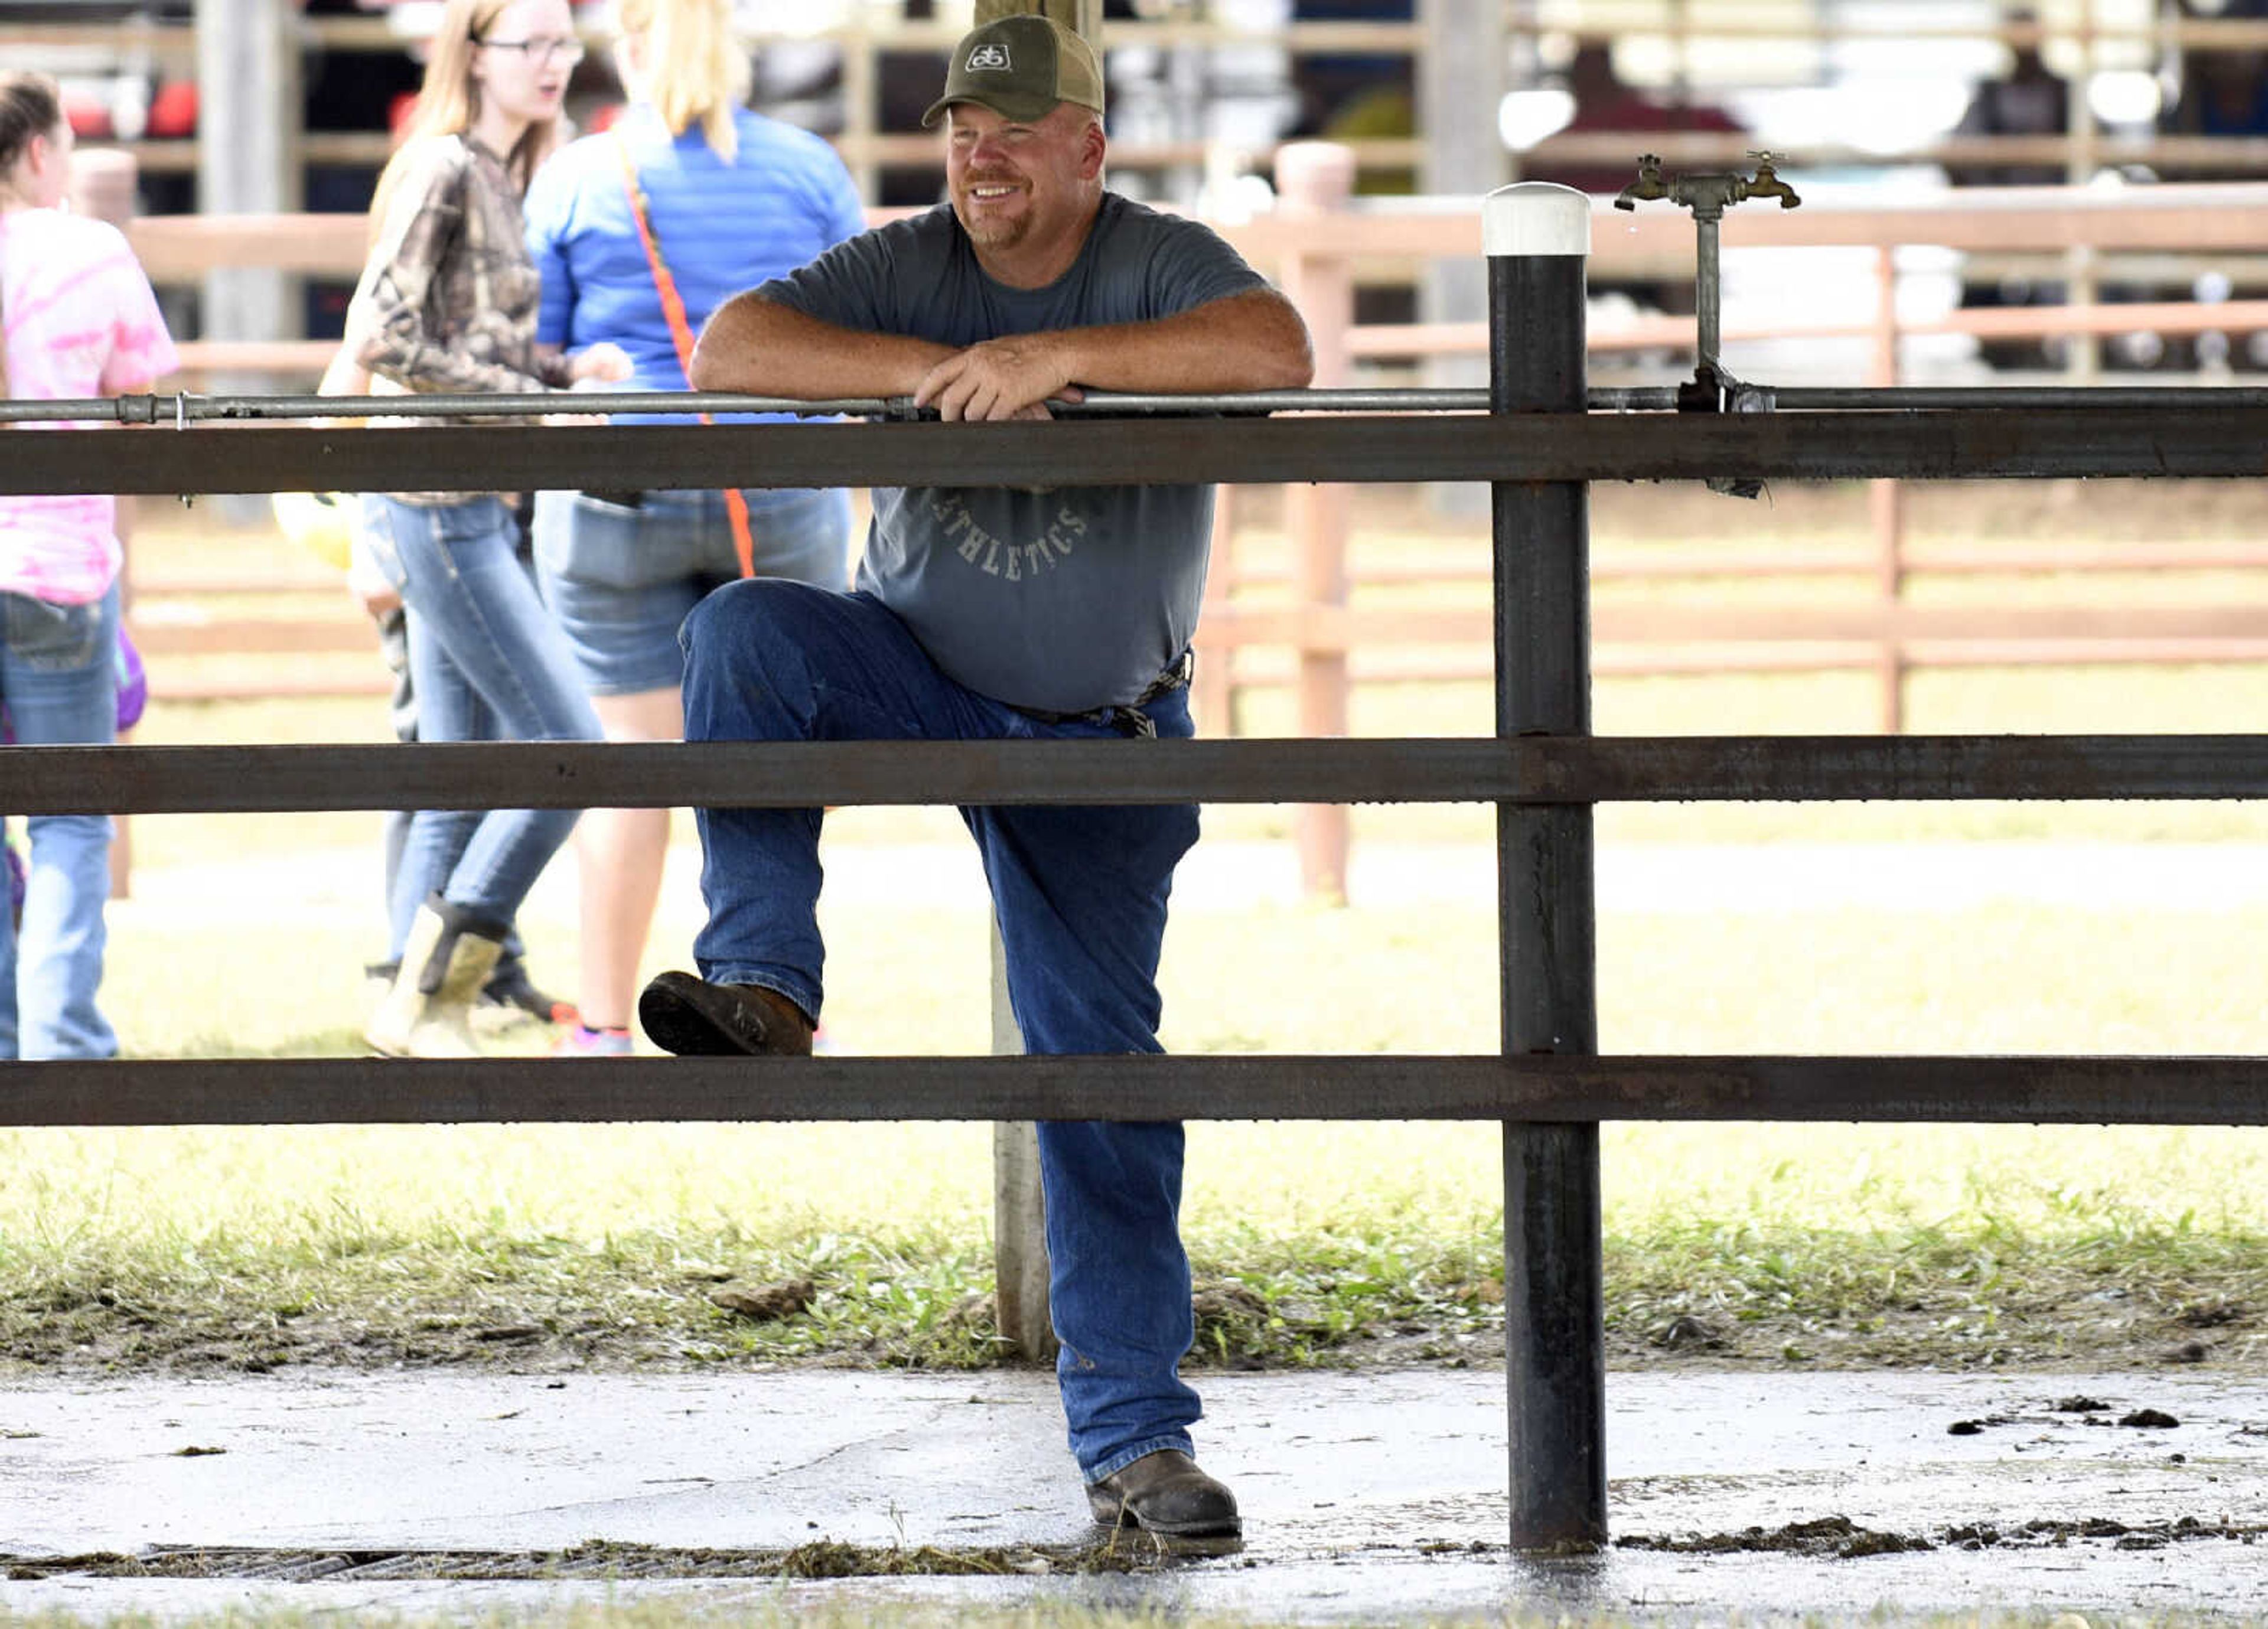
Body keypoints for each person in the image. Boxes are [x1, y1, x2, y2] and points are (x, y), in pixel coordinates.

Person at [640, 14, 1312, 1537]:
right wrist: (950, 369)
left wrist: (1054, 358)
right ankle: (765, 988)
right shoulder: (907, 257)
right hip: (917, 667)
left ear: (1089, 144)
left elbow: (1275, 350)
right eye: (960, 129)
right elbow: (732, 348)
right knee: (747, 630)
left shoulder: (1159, 257)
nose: (979, 155)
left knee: (1099, 1075)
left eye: (1013, 130)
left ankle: (1139, 1438)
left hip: (1102, 722)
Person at [522, 0, 867, 1058]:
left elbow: (535, 348)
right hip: (778, 491)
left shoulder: (581, 176)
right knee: (766, 755)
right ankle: (764, 982)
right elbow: (856, 331)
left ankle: (601, 1024)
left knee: (627, 760)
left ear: (624, 47)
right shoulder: (809, 169)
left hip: (615, 496)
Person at [346, 0, 631, 1058]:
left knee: (457, 777)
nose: (556, 63)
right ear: (474, 55)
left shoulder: (512, 173)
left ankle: (419, 1007)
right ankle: (432, 988)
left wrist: (563, 371)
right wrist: (535, 405)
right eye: (531, 44)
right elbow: (385, 330)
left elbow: (477, 342)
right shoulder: (444, 167)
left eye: (565, 43)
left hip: (474, 497)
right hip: (435, 504)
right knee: (572, 748)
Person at [0, 71, 178, 1060]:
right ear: (38, 153)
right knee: (70, 815)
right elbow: (141, 392)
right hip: (58, 567)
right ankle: (65, 1042)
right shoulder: (88, 249)